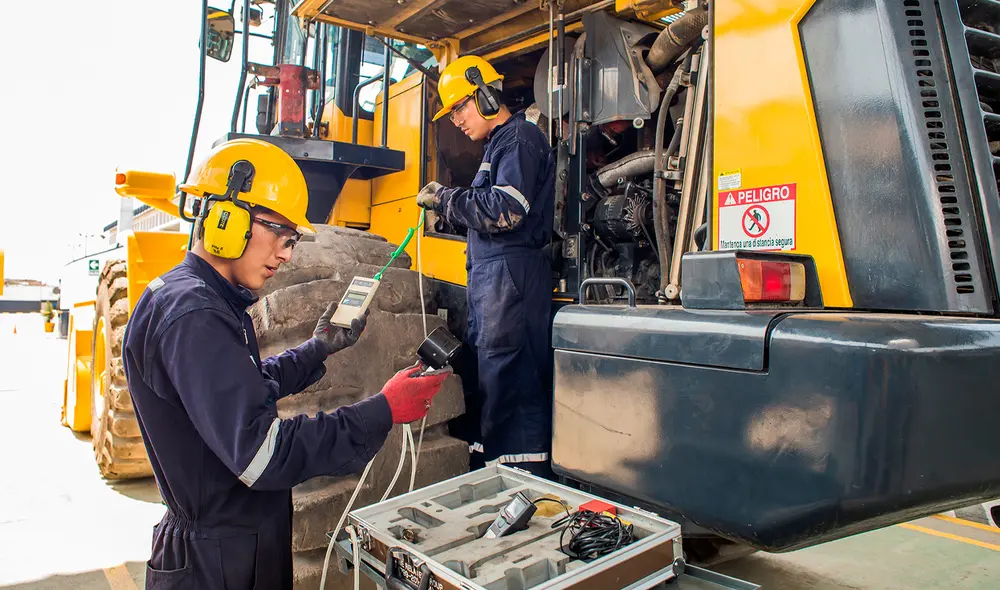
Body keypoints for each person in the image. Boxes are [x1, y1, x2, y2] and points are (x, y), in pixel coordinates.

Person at [122, 138, 450, 590]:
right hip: (217, 567)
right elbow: (263, 454)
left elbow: (242, 391)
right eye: (281, 234)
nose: (287, 253)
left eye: (293, 240)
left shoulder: (200, 300)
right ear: (225, 219)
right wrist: (385, 409)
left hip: (230, 549)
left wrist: (317, 349)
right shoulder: (194, 316)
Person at [416, 56, 556, 477]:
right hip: (493, 285)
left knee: (510, 383)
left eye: (460, 106)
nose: (456, 120)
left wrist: (445, 199)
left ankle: (522, 484)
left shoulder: (520, 139)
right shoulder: (497, 147)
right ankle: (488, 472)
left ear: (487, 94)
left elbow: (508, 210)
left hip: (510, 283)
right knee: (489, 380)